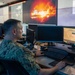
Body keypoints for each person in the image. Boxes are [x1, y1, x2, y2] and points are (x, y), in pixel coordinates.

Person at [0, 19, 65, 75]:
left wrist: (34, 54)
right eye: (21, 29)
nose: (22, 31)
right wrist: (57, 67)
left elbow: (18, 57)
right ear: (14, 31)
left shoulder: (2, 45)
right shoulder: (20, 50)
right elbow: (40, 73)